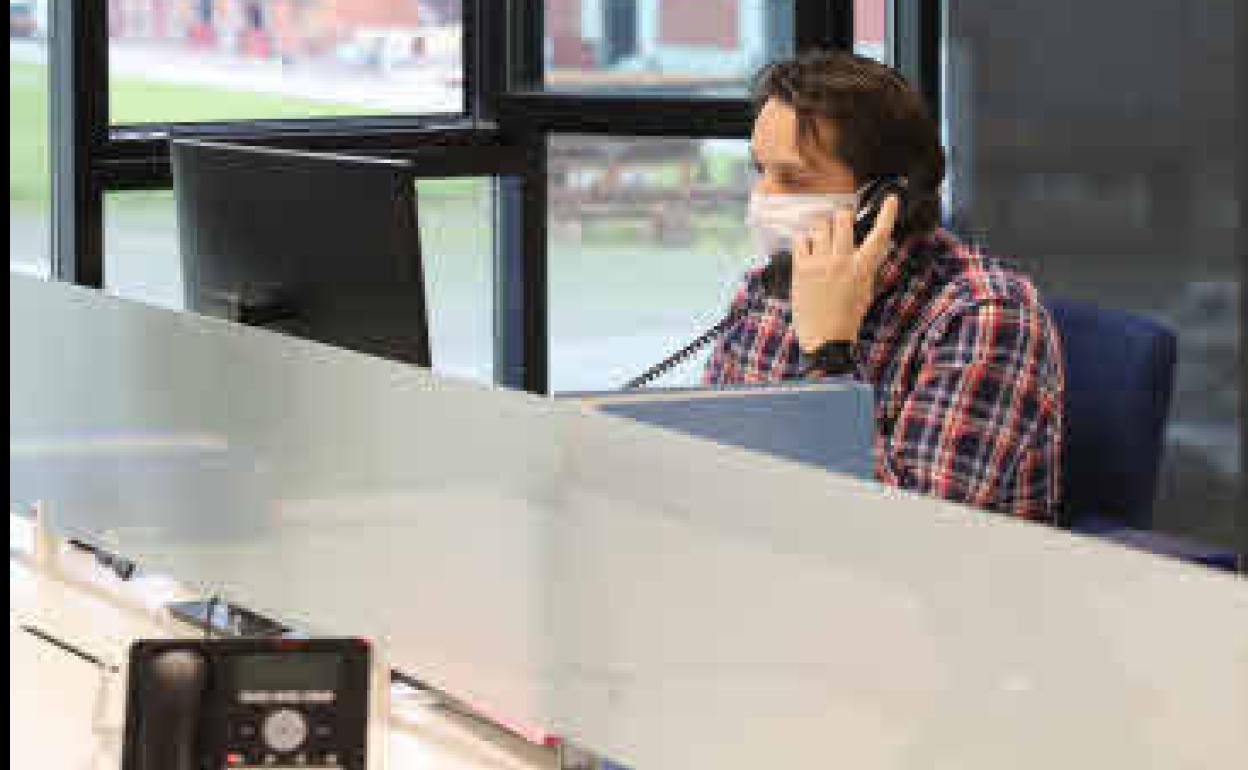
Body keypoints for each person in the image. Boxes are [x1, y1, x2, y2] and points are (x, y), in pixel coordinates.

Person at [704, 51, 1065, 522]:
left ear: (881, 201)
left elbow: (907, 536)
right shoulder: (768, 290)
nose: (762, 198)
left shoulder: (985, 316)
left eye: (792, 178)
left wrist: (829, 356)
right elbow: (709, 461)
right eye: (760, 171)